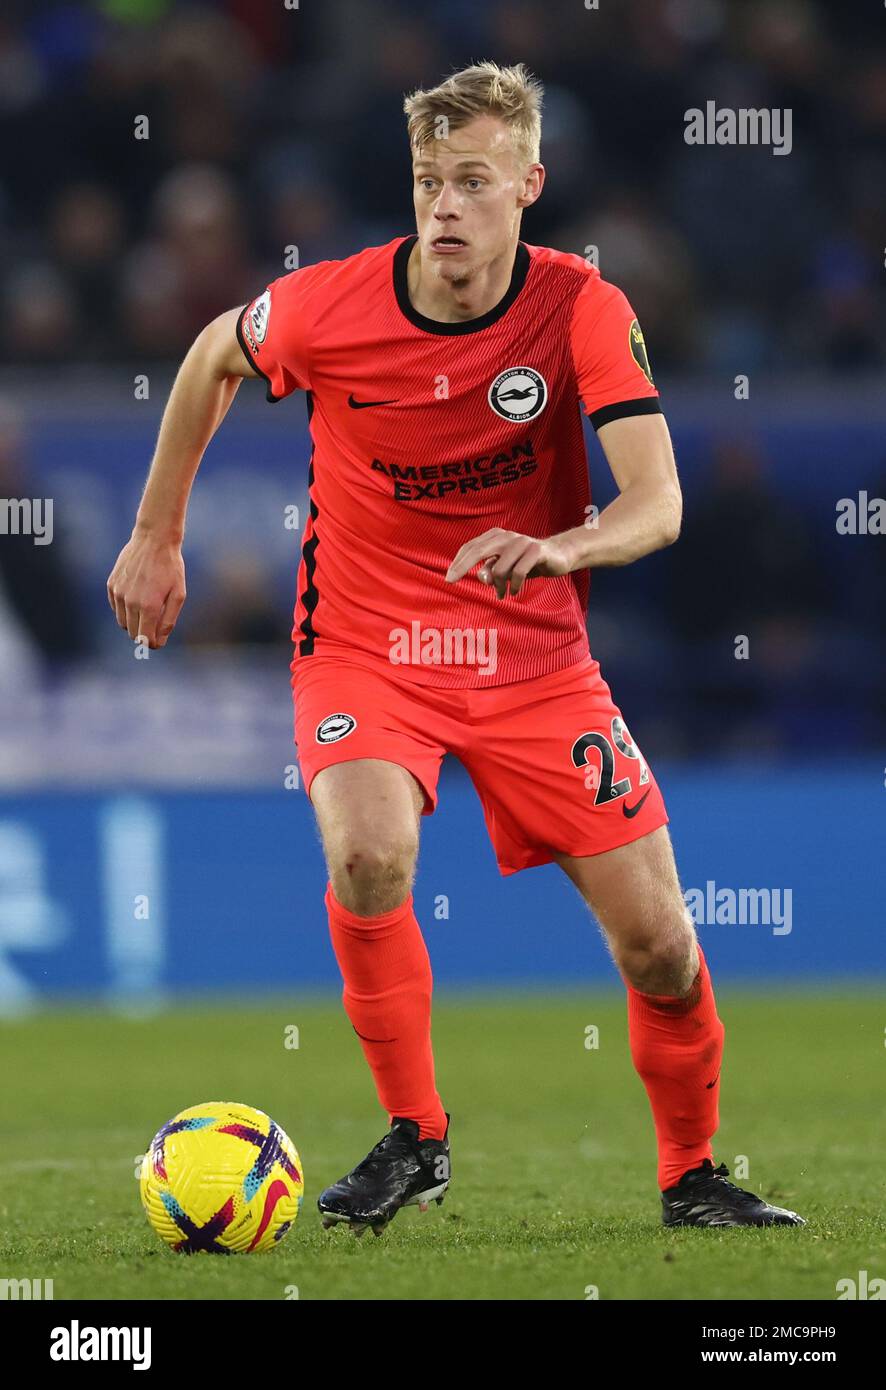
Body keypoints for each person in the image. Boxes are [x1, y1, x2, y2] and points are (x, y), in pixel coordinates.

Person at [108, 62, 804, 1236]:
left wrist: (567, 547)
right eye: (429, 179)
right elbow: (211, 356)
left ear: (527, 185)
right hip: (366, 644)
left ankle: (691, 1176)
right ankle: (414, 1137)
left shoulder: (580, 307)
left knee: (662, 949)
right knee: (370, 858)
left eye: (472, 180)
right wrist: (155, 532)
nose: (444, 205)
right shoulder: (329, 304)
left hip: (533, 664)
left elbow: (660, 502)